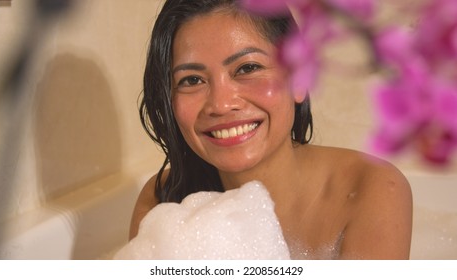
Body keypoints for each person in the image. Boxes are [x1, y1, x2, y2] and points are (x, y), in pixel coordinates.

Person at [130, 0, 413, 259]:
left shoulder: (368, 189)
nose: (221, 104)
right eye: (192, 80)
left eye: (247, 68)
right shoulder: (163, 203)